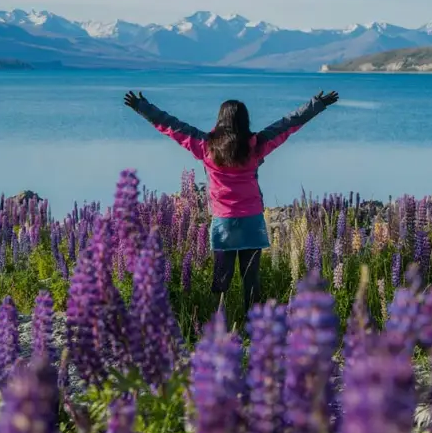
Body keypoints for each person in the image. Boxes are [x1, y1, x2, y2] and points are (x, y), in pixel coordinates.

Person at [123, 89, 340, 314]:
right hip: (252, 221)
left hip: (224, 222)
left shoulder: (205, 145)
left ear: (220, 119)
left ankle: (218, 322)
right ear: (245, 120)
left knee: (221, 279)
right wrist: (317, 104)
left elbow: (172, 126)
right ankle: (253, 325)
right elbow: (288, 124)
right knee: (251, 279)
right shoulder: (257, 144)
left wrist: (142, 107)